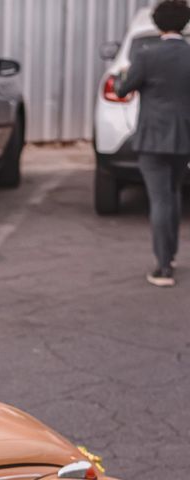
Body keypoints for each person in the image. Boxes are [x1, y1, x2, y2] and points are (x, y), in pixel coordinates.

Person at [114, 0, 190, 287]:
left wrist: (125, 76)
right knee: (173, 193)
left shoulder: (147, 55)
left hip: (152, 138)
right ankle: (170, 255)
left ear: (158, 24)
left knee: (159, 199)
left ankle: (163, 267)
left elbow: (124, 89)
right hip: (184, 137)